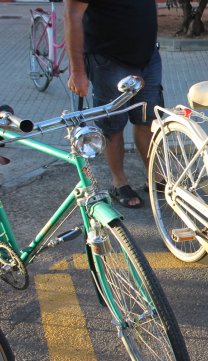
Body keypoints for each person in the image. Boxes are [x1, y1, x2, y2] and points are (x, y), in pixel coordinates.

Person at [64, 0, 163, 209]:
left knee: (147, 119)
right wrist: (78, 72)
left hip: (148, 57)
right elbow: (72, 16)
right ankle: (120, 182)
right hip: (108, 59)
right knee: (112, 125)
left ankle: (153, 176)